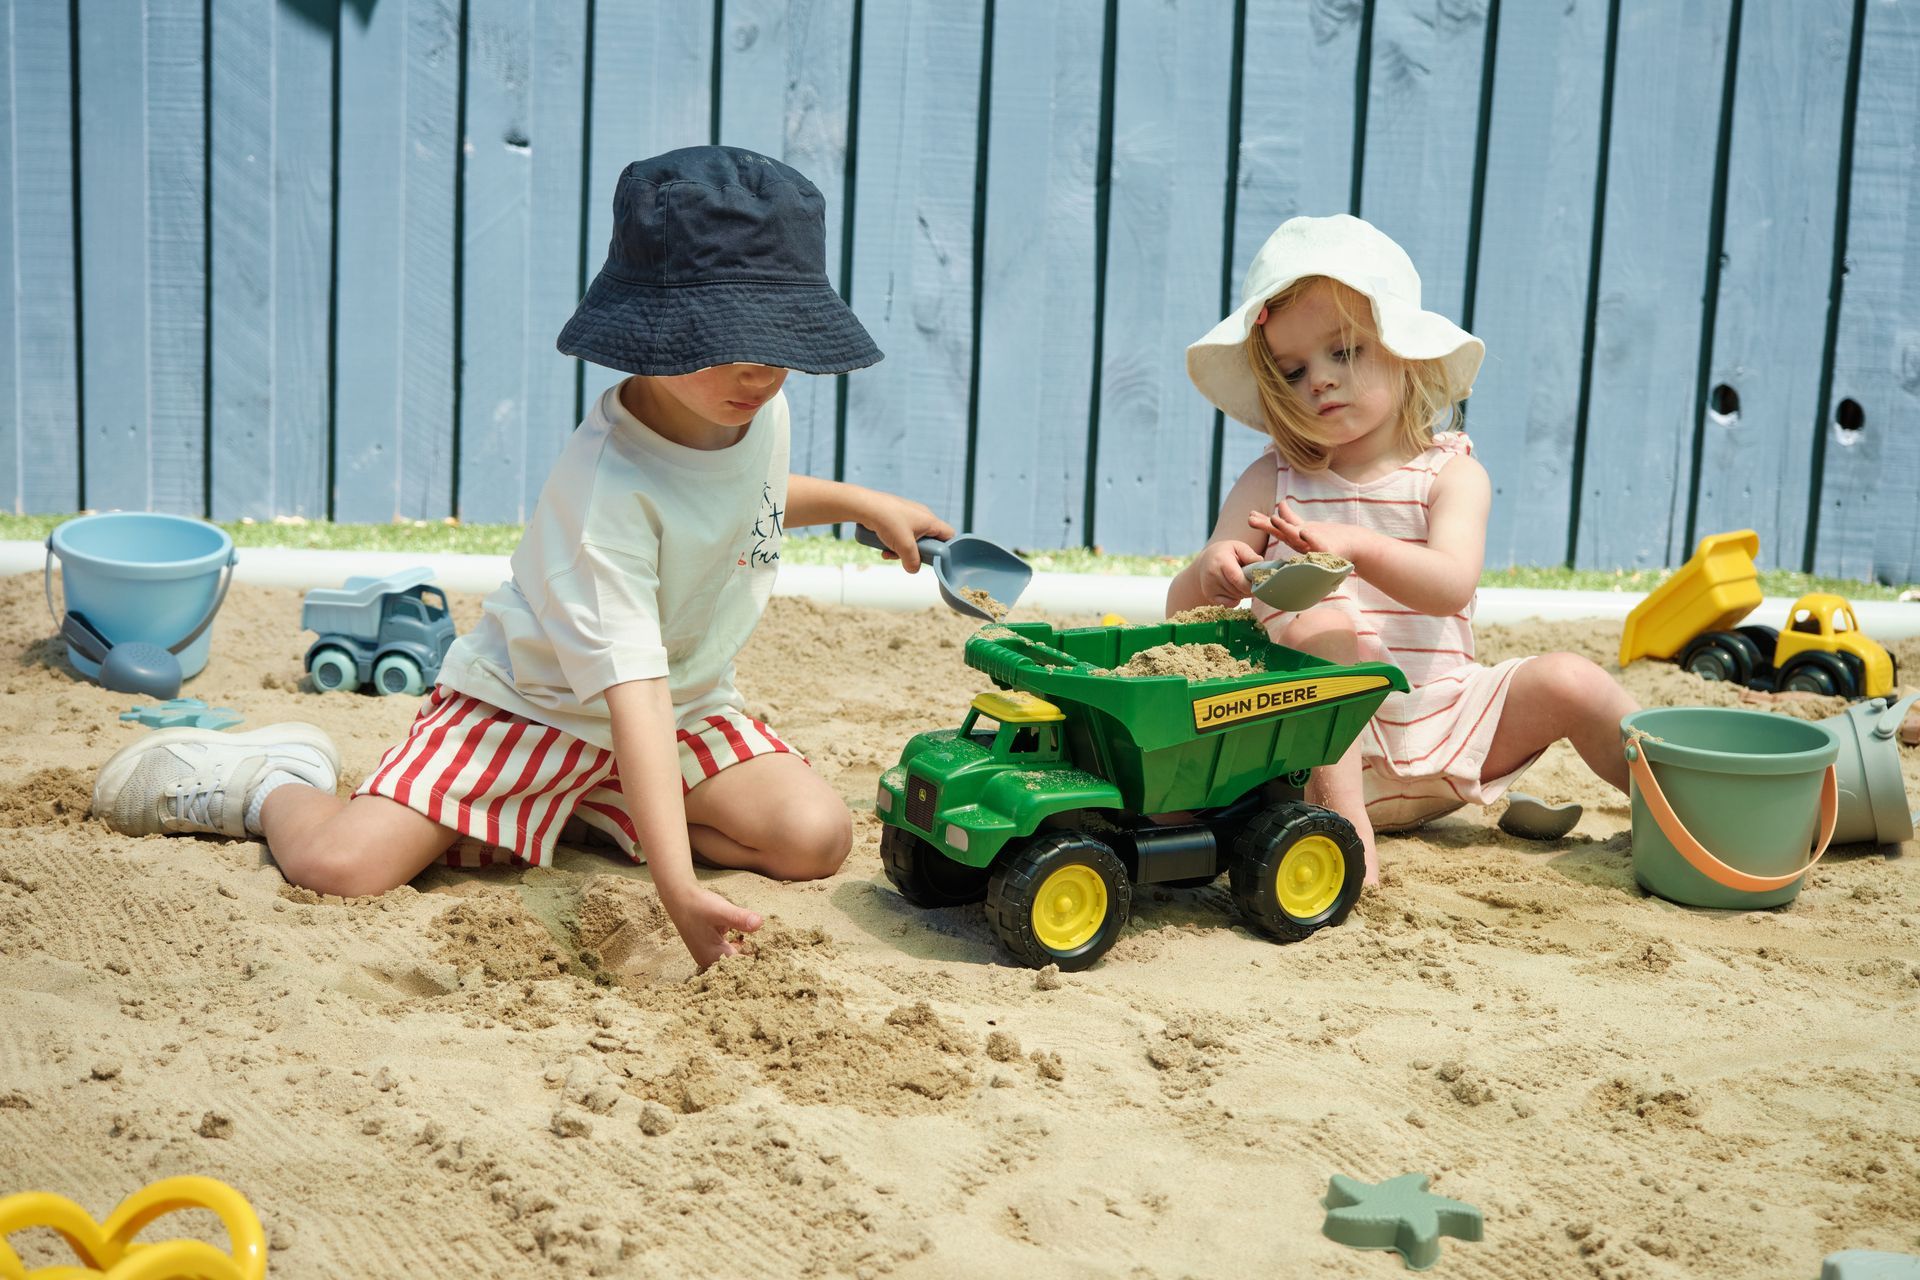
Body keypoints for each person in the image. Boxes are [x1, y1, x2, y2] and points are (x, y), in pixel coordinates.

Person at [92, 146, 953, 968]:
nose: (760, 373)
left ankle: (572, 810)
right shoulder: (605, 495)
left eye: (780, 345)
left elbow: (734, 500)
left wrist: (854, 504)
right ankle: (268, 781)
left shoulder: (747, 408)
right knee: (344, 868)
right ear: (653, 329)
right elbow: (632, 692)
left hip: (680, 702)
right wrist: (676, 888)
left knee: (815, 839)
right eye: (728, 340)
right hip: (532, 709)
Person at [1167, 214, 1636, 882]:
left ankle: (1681, 801)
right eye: (1293, 370)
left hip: (1448, 727)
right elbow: (1184, 608)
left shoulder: (1449, 475)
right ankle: (1344, 835)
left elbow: (1450, 584)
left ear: (1404, 352)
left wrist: (1357, 545)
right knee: (1326, 622)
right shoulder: (1273, 478)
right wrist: (1210, 571)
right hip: (1313, 756)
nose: (1320, 381)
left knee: (1571, 680)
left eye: (1345, 353)